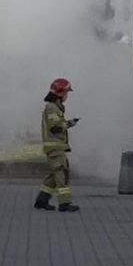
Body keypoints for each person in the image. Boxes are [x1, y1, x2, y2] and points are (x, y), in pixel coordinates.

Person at [34, 77, 81, 213]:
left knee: (53, 175)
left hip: (56, 148)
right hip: (55, 148)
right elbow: (55, 127)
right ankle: (64, 204)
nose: (67, 96)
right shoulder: (52, 108)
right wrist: (69, 123)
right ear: (60, 93)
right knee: (62, 175)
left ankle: (41, 201)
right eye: (66, 93)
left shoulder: (54, 108)